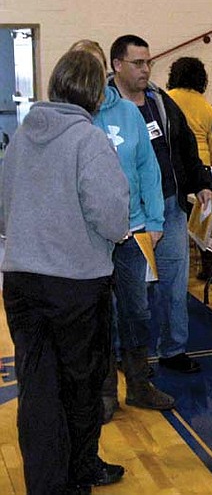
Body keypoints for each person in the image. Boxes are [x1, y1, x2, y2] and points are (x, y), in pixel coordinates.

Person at [0, 49, 129, 494]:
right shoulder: (88, 140)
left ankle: (46, 483)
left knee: (37, 388)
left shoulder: (21, 136)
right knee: (79, 387)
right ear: (96, 94)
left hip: (20, 282)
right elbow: (112, 219)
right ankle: (78, 474)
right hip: (74, 284)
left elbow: (4, 210)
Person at [70, 40, 174, 421]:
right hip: (88, 237)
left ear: (107, 71)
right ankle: (103, 392)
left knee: (136, 311)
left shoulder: (129, 114)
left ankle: (139, 384)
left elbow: (149, 168)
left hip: (132, 233)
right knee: (97, 314)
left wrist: (157, 220)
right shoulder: (74, 117)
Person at [109, 34, 212, 374]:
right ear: (117, 65)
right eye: (138, 63)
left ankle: (173, 349)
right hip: (123, 214)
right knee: (127, 292)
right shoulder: (103, 105)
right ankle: (127, 354)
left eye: (149, 62)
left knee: (173, 283)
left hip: (168, 205)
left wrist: (200, 183)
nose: (145, 69)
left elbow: (183, 144)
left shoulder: (160, 101)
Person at [166, 56, 212, 281]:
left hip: (176, 168)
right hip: (202, 169)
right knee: (204, 217)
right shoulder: (206, 106)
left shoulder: (166, 99)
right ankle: (209, 263)